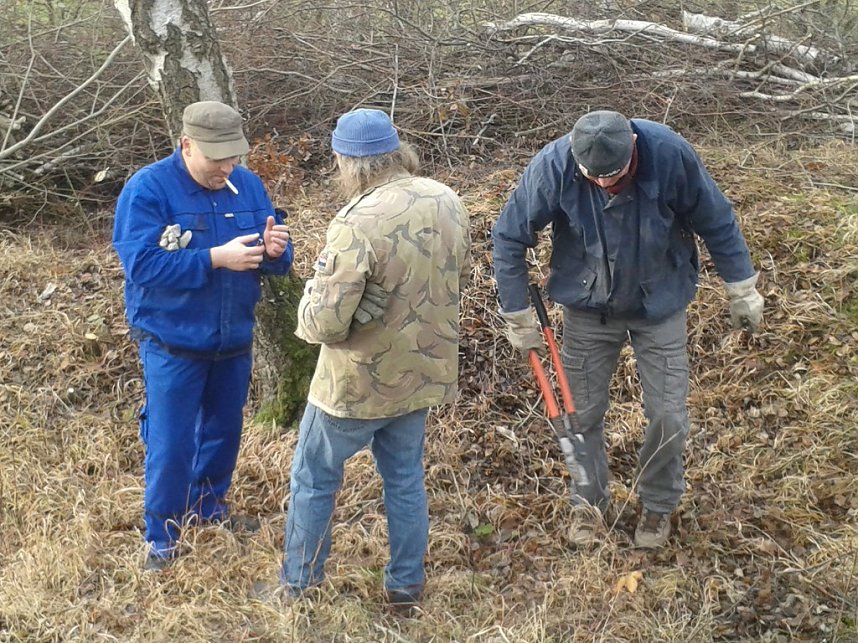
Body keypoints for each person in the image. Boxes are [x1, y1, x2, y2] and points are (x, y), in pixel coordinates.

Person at [492, 110, 764, 549]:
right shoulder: (553, 164)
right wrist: (517, 313)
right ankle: (589, 502)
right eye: (592, 176)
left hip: (660, 303)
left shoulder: (670, 154)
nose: (602, 184)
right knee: (580, 415)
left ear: (633, 149)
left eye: (613, 175)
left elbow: (717, 219)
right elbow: (508, 237)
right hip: (587, 307)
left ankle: (657, 505)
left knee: (668, 416)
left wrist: (741, 288)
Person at [280, 108, 471, 613]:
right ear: (395, 150)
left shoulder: (356, 220)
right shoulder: (446, 200)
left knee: (313, 478)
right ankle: (406, 585)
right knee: (405, 478)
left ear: (348, 162)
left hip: (355, 383)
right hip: (424, 372)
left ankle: (299, 585)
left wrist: (307, 303)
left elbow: (323, 324)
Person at [113, 101, 294, 570]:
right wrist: (214, 258)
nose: (226, 167)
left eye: (233, 155)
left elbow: (274, 256)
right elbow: (142, 265)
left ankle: (208, 509)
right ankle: (162, 534)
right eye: (216, 157)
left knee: (224, 430)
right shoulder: (148, 190)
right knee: (172, 442)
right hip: (172, 341)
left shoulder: (248, 186)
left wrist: (276, 251)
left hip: (234, 337)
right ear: (186, 145)